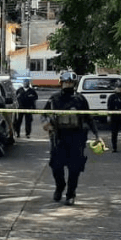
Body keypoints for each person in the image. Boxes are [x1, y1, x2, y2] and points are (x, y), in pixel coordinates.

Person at [42, 71, 100, 206]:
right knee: (56, 166)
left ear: (74, 84)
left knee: (75, 168)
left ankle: (70, 194)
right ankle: (60, 186)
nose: (68, 85)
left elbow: (89, 118)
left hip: (76, 138)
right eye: (66, 82)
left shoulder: (80, 99)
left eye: (70, 83)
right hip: (59, 138)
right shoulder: (54, 99)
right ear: (61, 83)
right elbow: (44, 114)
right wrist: (46, 123)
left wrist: (97, 135)